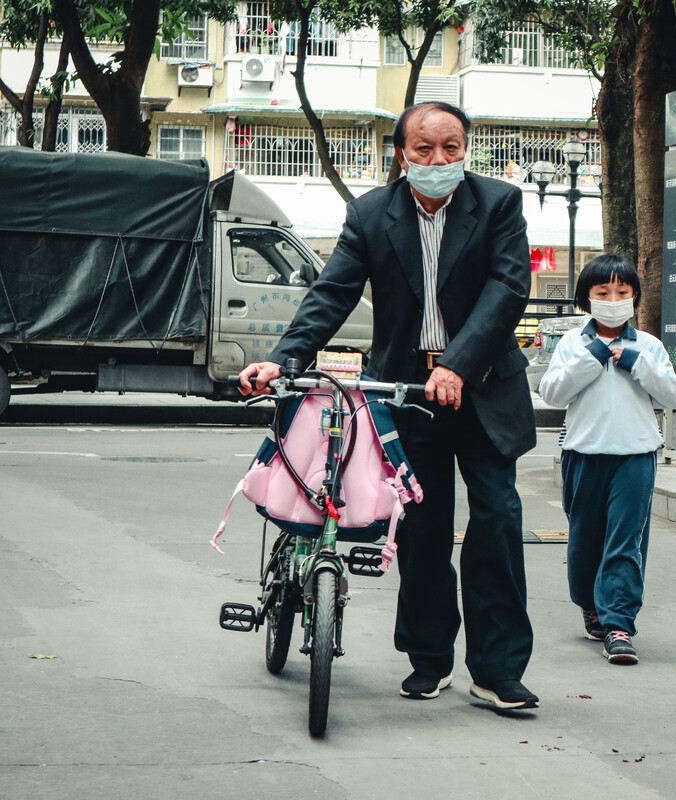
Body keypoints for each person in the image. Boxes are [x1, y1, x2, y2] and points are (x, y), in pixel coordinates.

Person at [238, 102, 539, 711]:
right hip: (405, 395)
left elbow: (508, 287)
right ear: (401, 153)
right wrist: (285, 359)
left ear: (465, 149)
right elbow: (332, 293)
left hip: (481, 386)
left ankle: (498, 670)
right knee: (421, 532)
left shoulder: (500, 204)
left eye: (451, 148)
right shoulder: (372, 215)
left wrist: (458, 362)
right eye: (424, 149)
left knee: (499, 522)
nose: (438, 161)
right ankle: (429, 660)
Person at [537, 254, 676, 665]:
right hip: (582, 456)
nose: (613, 299)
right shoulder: (572, 344)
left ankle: (619, 624)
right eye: (603, 292)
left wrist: (635, 363)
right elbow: (552, 394)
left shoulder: (649, 345)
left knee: (625, 540)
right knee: (585, 541)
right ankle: (591, 604)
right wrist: (594, 356)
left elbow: (674, 397)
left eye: (622, 292)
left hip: (635, 457)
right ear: (587, 298)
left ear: (635, 297)